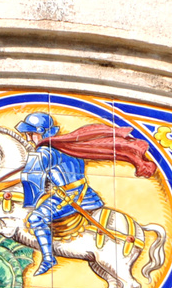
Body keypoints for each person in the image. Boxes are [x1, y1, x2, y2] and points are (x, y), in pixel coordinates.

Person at [15, 112, 157, 274]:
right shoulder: (67, 147)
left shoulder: (44, 151)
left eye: (30, 134)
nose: (28, 138)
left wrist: (31, 200)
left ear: (41, 132)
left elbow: (32, 177)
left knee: (36, 218)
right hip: (85, 194)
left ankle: (48, 258)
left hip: (67, 198)